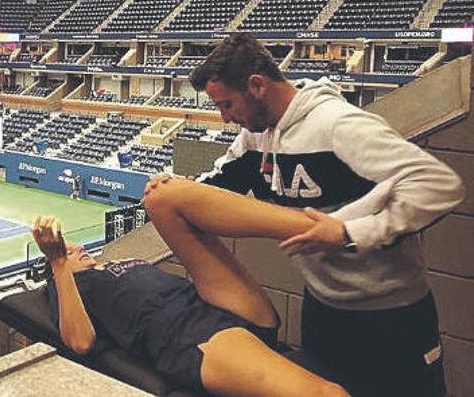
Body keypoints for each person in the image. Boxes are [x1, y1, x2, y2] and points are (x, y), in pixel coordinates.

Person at [145, 33, 465, 397]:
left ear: (257, 85)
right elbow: (218, 185)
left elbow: (439, 184)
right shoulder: (257, 138)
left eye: (228, 104)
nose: (225, 118)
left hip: (392, 315)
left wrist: (349, 232)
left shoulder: (338, 124)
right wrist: (177, 190)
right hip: (323, 310)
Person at [32, 216, 349, 397]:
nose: (81, 249)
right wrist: (59, 263)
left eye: (72, 248)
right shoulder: (71, 287)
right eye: (70, 252)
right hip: (189, 335)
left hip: (213, 308)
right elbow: (80, 341)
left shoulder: (116, 264)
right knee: (326, 393)